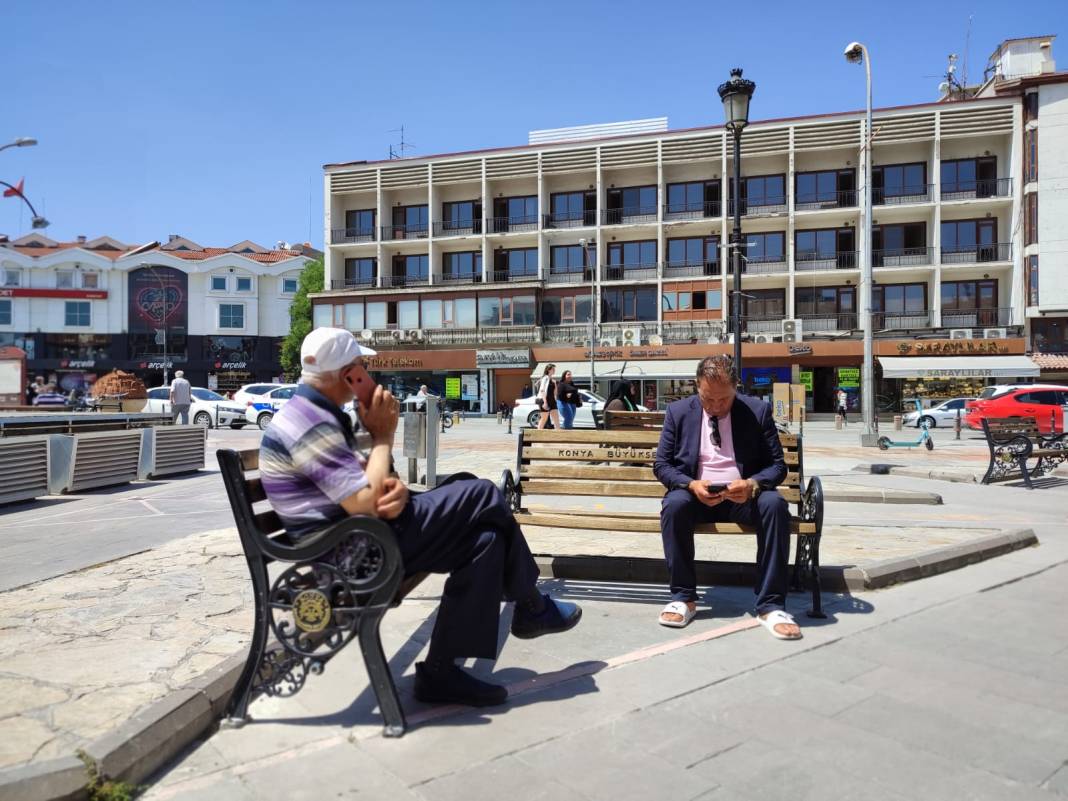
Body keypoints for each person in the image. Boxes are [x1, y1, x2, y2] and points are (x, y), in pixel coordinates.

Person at [259, 328, 581, 707]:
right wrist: (382, 436)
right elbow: (363, 503)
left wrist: (388, 483)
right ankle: (531, 605)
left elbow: (371, 486)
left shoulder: (317, 414)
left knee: (486, 540)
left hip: (364, 539)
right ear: (348, 373)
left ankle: (442, 672)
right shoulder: (309, 422)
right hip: (356, 557)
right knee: (482, 493)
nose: (366, 371)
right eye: (361, 366)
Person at [653, 355, 801, 641]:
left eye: (724, 400)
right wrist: (690, 484)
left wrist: (752, 484)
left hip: (742, 498)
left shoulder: (757, 411)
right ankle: (684, 598)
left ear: (736, 387)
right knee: (674, 504)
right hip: (697, 496)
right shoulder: (678, 412)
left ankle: (771, 605)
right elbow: (662, 465)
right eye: (709, 399)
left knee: (775, 505)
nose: (717, 407)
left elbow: (777, 466)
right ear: (697, 386)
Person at [535, 364, 559, 430]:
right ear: (548, 370)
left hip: (552, 401)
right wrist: (545, 402)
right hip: (544, 400)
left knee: (556, 419)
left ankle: (559, 436)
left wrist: (555, 384)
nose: (554, 370)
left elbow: (555, 393)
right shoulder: (545, 378)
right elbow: (542, 390)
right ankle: (538, 435)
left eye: (554, 369)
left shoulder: (552, 380)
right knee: (544, 418)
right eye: (553, 369)